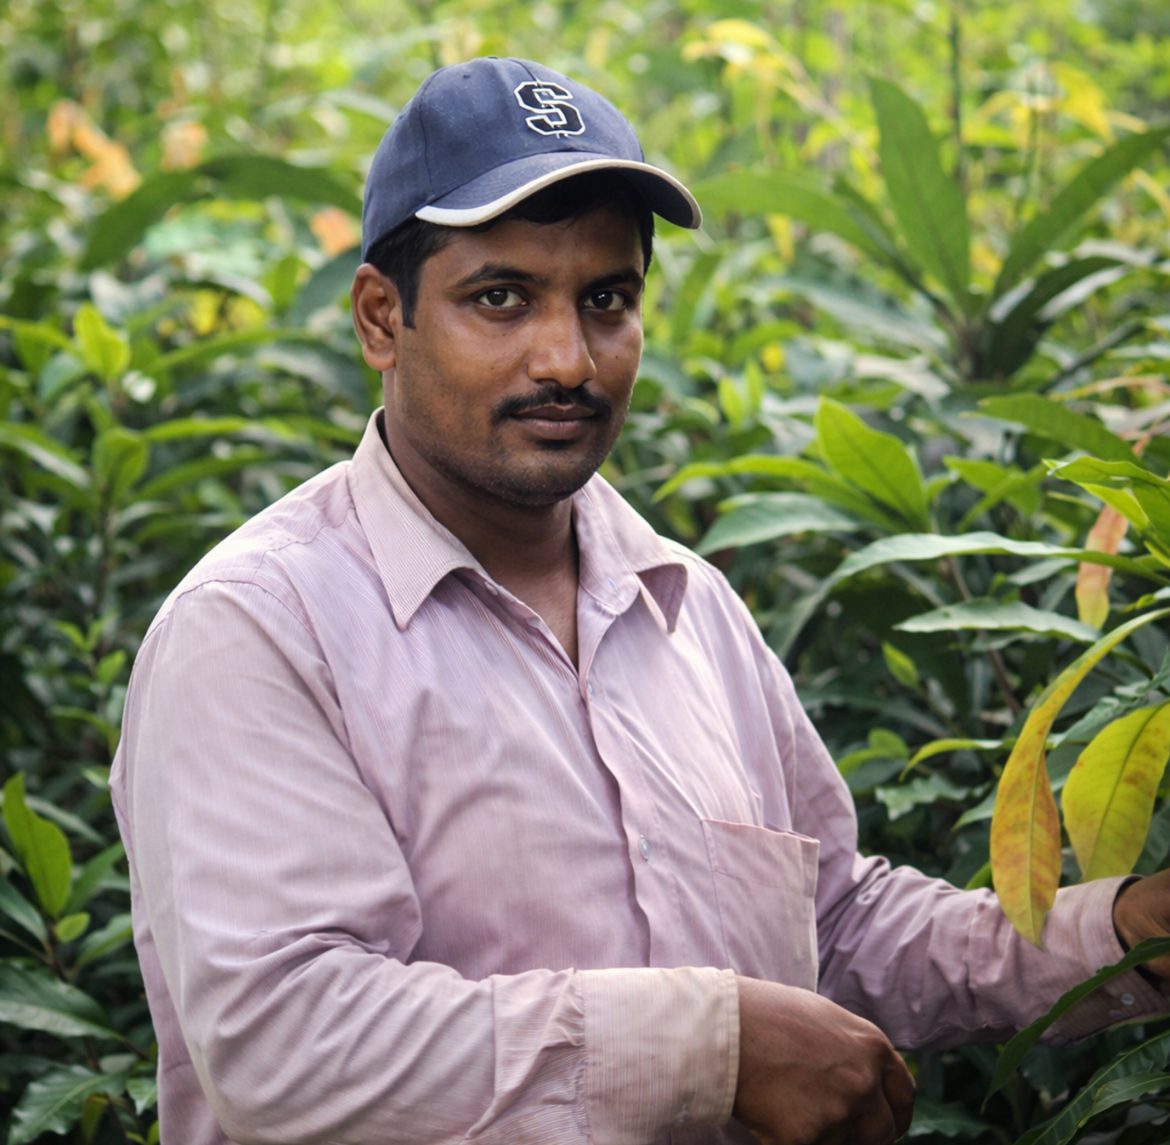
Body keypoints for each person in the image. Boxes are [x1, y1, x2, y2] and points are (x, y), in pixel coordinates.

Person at [111, 56, 1170, 1145]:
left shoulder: (687, 606)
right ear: (382, 318)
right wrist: (713, 1044)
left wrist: (1121, 932)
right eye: (501, 298)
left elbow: (836, 927)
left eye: (606, 299)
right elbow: (282, 1043)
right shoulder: (258, 628)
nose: (568, 358)